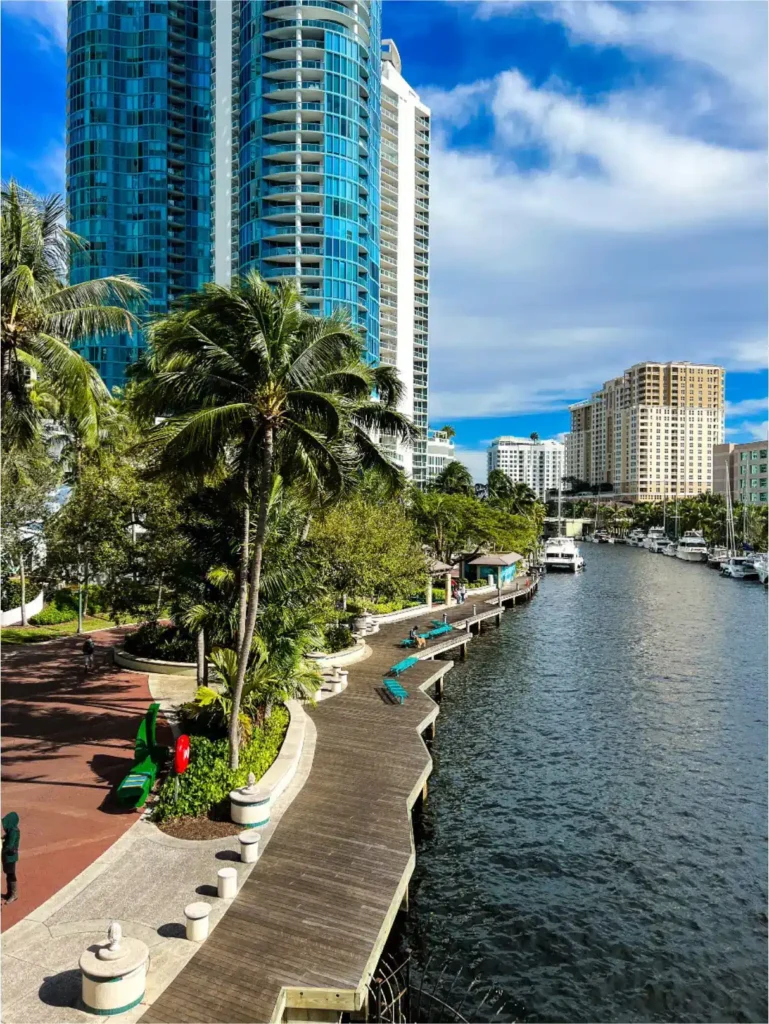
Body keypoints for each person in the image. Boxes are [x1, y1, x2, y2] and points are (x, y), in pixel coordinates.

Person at [2, 812, 20, 904]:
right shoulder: (11, 830)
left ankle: (14, 894)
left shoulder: (13, 831)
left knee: (11, 874)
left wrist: (3, 846)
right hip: (8, 856)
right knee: (8, 874)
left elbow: (10, 845)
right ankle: (9, 893)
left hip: (10, 856)